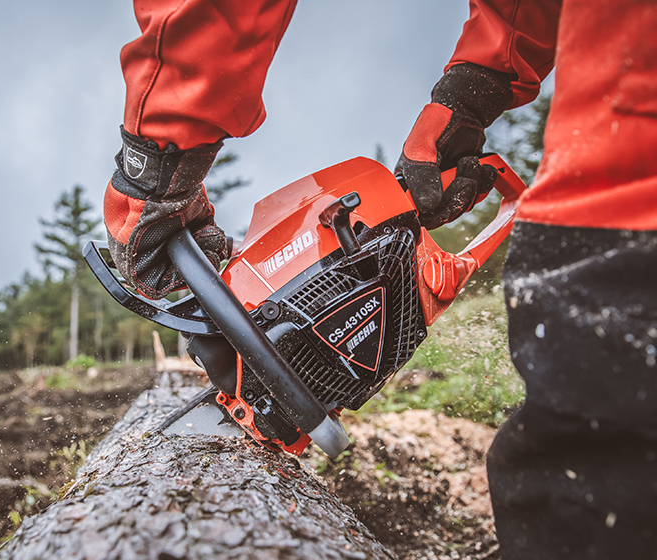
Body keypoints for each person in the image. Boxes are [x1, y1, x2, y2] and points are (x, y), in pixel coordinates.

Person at [102, 1, 657, 558]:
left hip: (628, 148)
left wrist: (158, 156)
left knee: (596, 438)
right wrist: (477, 86)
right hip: (623, 116)